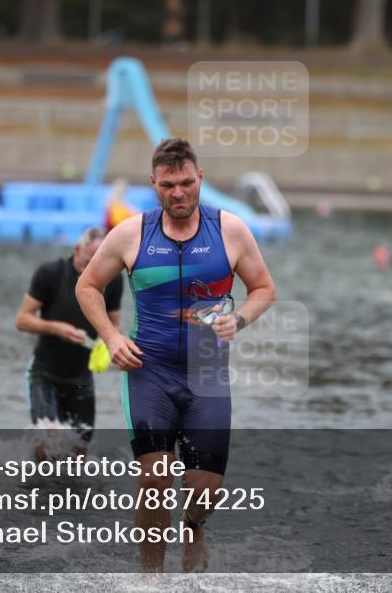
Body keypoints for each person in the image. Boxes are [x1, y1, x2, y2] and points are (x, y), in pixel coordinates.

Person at [76, 138, 275, 573]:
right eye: (168, 185)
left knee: (204, 491)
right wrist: (110, 337)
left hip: (207, 375)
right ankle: (152, 579)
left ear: (200, 178)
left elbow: (264, 289)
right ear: (154, 184)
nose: (179, 192)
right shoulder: (131, 233)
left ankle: (194, 528)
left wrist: (239, 319)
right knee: (154, 478)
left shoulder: (231, 231)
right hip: (150, 372)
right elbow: (87, 286)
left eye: (186, 182)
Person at [15, 226, 123, 456]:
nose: (92, 272)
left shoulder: (113, 280)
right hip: (45, 373)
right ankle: (41, 489)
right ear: (77, 249)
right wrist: (55, 328)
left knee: (79, 449)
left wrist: (109, 346)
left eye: (100, 264)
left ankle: (72, 492)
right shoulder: (51, 273)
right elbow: (22, 320)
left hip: (81, 375)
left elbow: (113, 325)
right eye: (88, 263)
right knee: (48, 438)